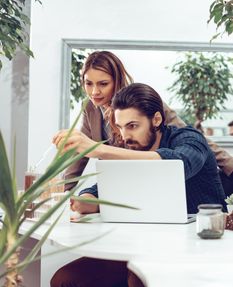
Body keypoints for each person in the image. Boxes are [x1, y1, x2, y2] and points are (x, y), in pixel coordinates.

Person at [51, 83, 227, 287]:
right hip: (143, 246)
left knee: (139, 273)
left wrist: (98, 150)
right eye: (120, 127)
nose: (125, 136)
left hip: (194, 250)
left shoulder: (189, 139)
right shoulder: (130, 147)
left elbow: (178, 164)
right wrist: (87, 199)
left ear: (156, 119)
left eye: (132, 126)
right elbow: (104, 186)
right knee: (64, 283)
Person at [64, 51, 233, 206]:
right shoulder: (90, 109)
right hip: (137, 184)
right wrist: (67, 195)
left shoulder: (142, 102)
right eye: (88, 83)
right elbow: (83, 156)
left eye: (103, 83)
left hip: (181, 186)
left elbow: (190, 144)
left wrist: (229, 165)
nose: (94, 91)